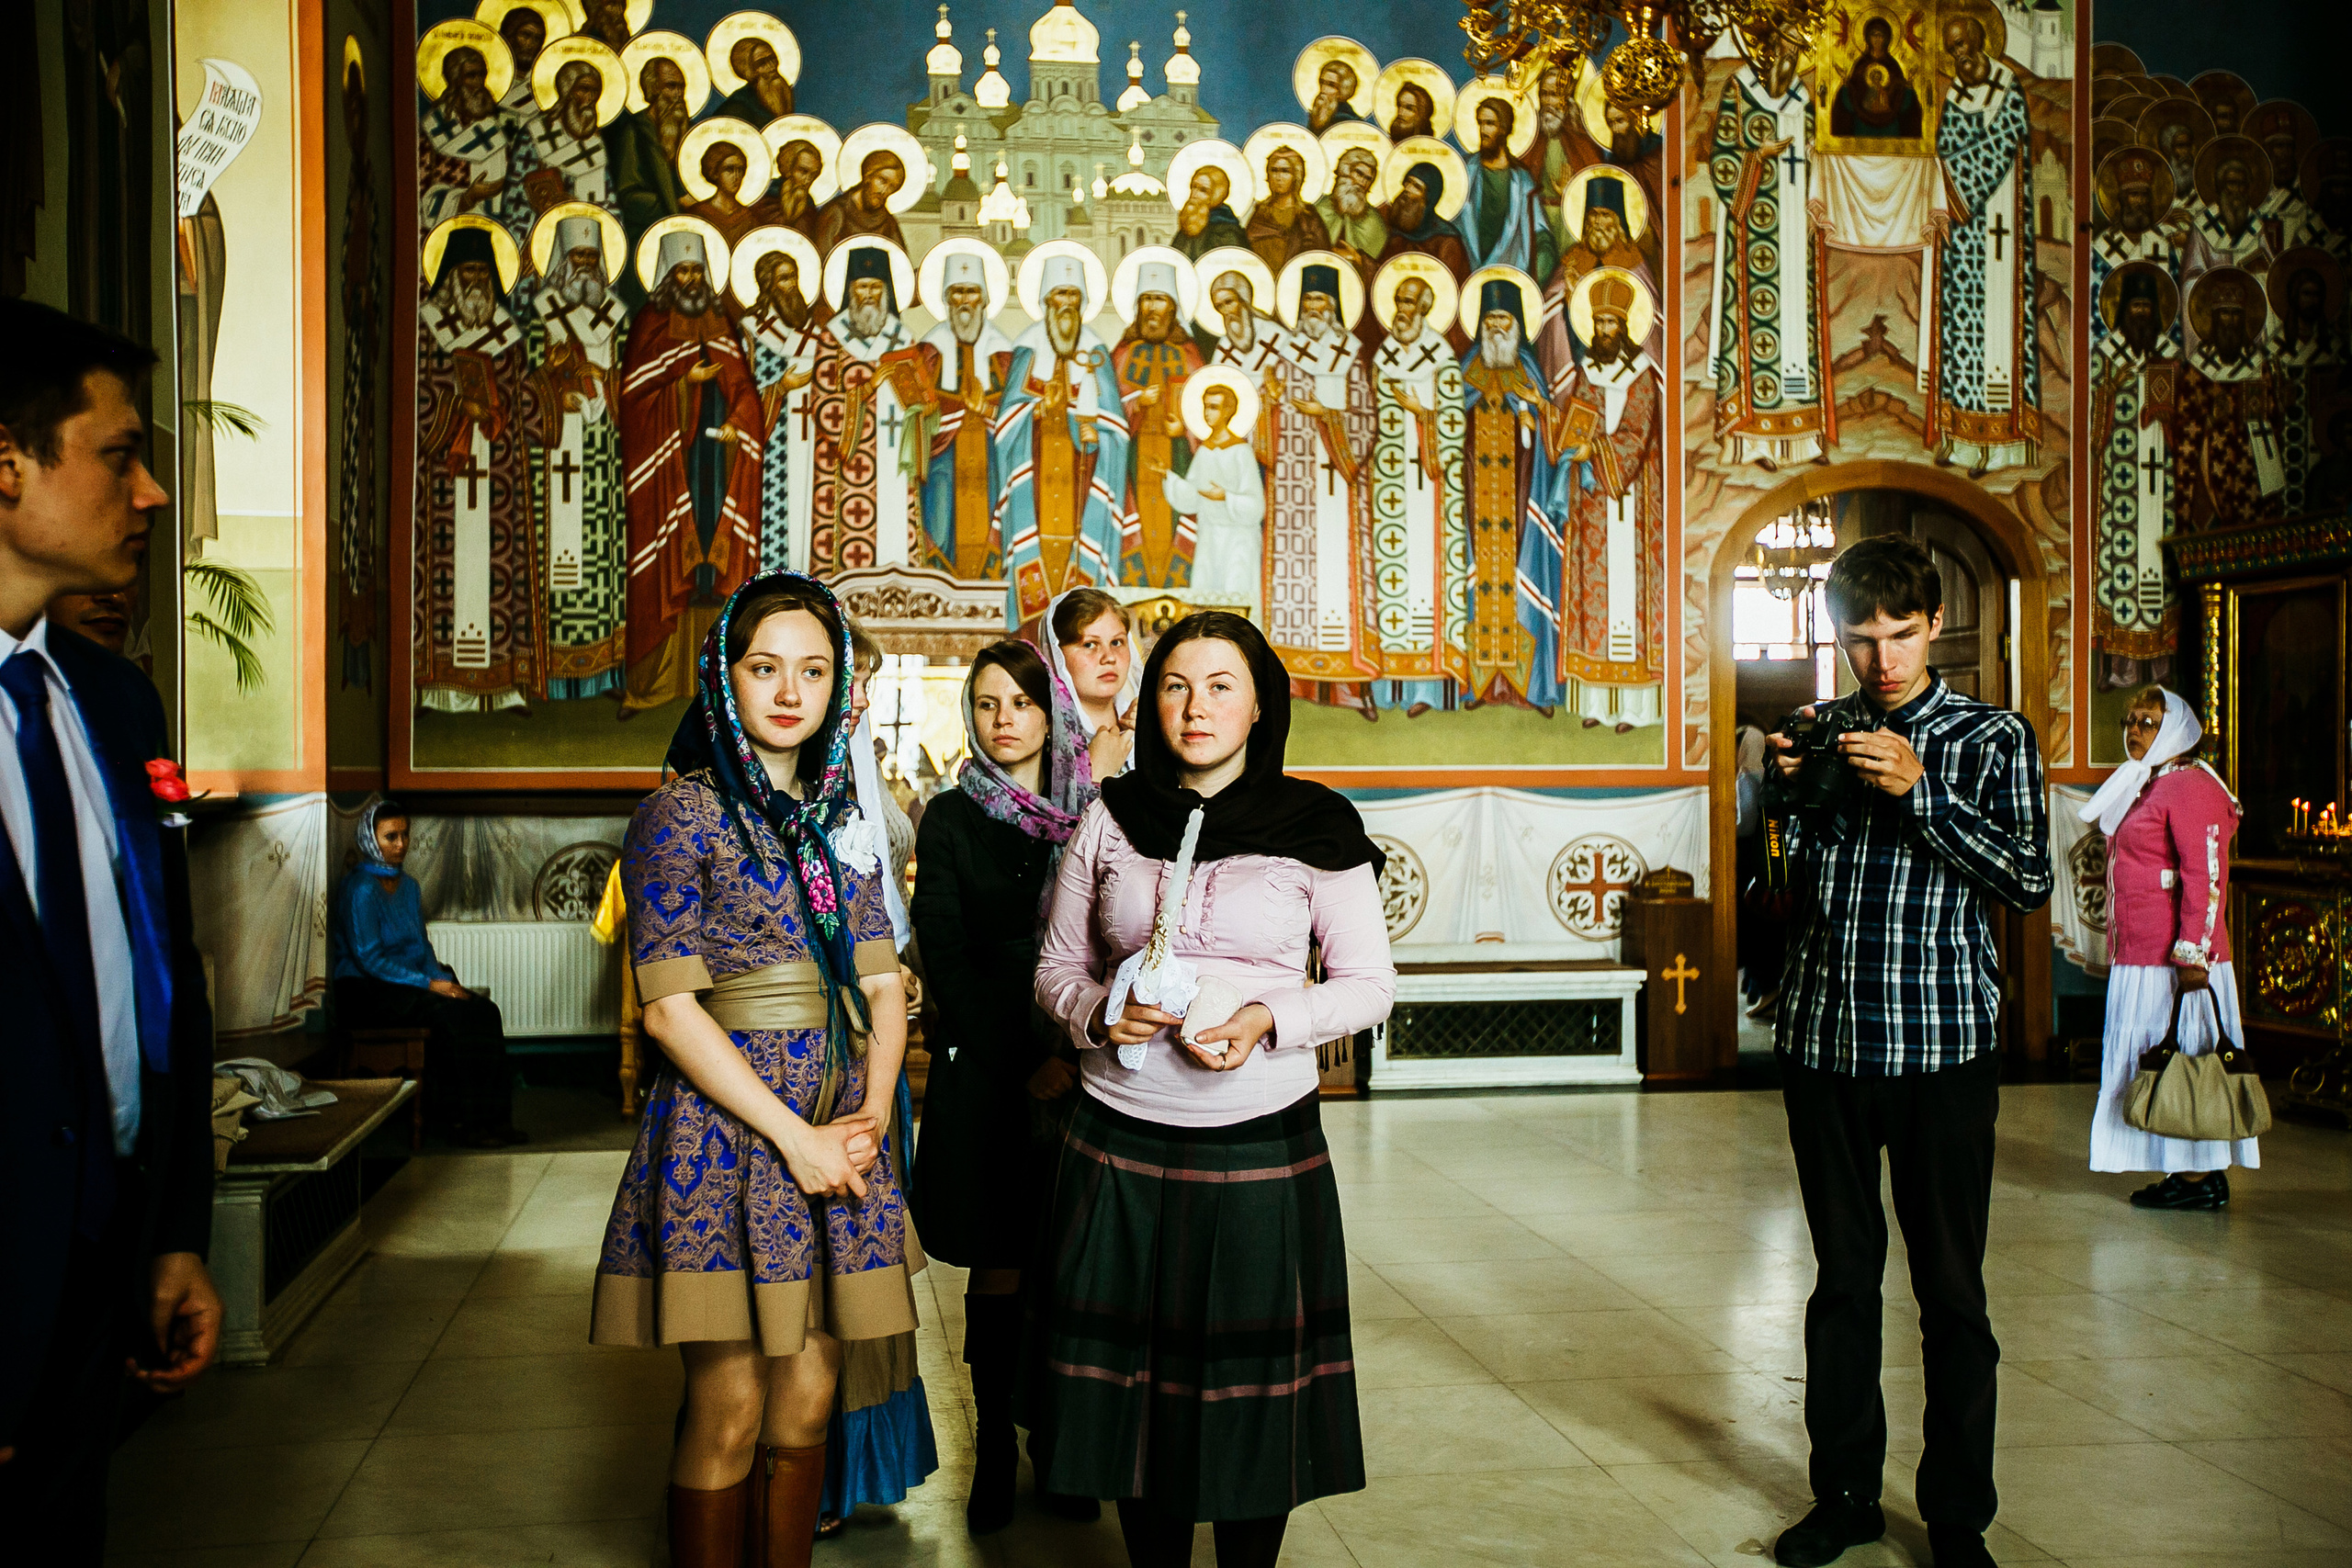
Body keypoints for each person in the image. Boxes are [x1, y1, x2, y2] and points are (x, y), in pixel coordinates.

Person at [1029, 611, 1396, 1568]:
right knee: (1133, 1398)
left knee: (1249, 1401)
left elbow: (1369, 985)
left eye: (1221, 686)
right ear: (1152, 704)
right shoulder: (1111, 816)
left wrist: (1270, 1017)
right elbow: (1056, 968)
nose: (1196, 707)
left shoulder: (1316, 825)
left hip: (1258, 1138)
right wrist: (1097, 1014)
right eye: (1175, 686)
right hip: (1118, 1136)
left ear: (1260, 705)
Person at [592, 572, 916, 1568]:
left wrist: (866, 1117)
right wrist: (796, 1137)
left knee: (811, 1393)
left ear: (837, 687)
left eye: (812, 672)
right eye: (764, 667)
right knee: (730, 1401)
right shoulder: (679, 814)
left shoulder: (838, 820)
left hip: (840, 1126)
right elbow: (669, 1009)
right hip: (730, 1132)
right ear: (723, 678)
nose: (788, 691)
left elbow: (884, 984)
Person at [1762, 535, 2052, 1568]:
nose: (1880, 659)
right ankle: (1844, 1497)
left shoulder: (1992, 738)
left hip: (1942, 1047)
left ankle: (1958, 1517)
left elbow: (2027, 880)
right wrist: (1776, 795)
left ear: (1932, 626)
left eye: (1899, 634)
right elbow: (1782, 881)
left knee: (1952, 1292)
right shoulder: (1822, 729)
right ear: (1835, 634)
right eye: (1859, 637)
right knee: (1843, 1282)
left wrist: (1920, 790)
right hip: (1825, 1042)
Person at [1, 301, 221, 1563]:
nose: (149, 492)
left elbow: (164, 976)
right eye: (119, 454)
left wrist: (174, 1228)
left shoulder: (111, 699)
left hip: (99, 1270)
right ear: (6, 463)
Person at [909, 639, 1099, 1533]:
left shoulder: (1094, 811)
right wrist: (1025, 1060)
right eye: (986, 704)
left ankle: (1061, 1444)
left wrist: (1077, 1047)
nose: (1003, 720)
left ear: (1049, 713)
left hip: (1086, 1060)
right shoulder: (949, 816)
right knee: (1001, 1259)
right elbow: (943, 951)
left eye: (1020, 702)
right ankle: (992, 1449)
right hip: (992, 1067)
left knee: (1074, 1263)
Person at [2082, 686, 2257, 1207]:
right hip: (2143, 955)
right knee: (2159, 1064)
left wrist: (2192, 957)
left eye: (2148, 722)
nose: (2134, 730)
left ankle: (2199, 1180)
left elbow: (2207, 877)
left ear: (2176, 730)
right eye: (2130, 721)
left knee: (2187, 1065)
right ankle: (2184, 1171)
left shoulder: (2190, 786)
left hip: (2176, 961)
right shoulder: (2150, 780)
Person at [332, 801, 524, 1148]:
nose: (401, 844)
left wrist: (444, 982)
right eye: (391, 837)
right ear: (371, 840)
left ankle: (495, 1121)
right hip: (367, 990)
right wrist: (430, 985)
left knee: (483, 1010)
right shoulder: (360, 889)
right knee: (451, 1018)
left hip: (408, 985)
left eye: (405, 835)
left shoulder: (408, 887)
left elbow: (421, 948)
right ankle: (465, 1123)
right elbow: (369, 959)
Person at [1046, 586, 1137, 780]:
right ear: (1056, 656)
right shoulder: (1043, 734)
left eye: (1117, 642)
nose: (1109, 657)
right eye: (1089, 644)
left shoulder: (1146, 722)